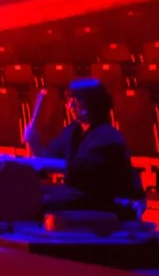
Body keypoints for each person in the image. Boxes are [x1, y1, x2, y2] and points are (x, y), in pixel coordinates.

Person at [22, 76, 143, 218]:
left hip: (106, 202)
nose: (70, 106)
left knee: (41, 205)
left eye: (75, 101)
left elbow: (79, 173)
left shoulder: (108, 137)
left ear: (89, 104)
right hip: (82, 195)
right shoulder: (73, 131)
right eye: (69, 101)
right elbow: (48, 157)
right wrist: (34, 142)